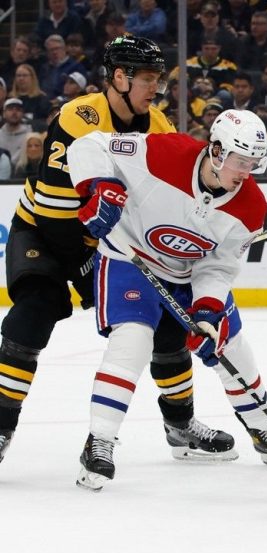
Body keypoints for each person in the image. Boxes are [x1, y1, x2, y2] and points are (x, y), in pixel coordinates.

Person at [0, 36, 234, 467]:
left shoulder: (158, 126)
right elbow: (54, 212)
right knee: (34, 311)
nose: (155, 87)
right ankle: (0, 426)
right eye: (146, 78)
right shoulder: (79, 117)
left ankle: (180, 424)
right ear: (120, 78)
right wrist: (90, 259)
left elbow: (175, 197)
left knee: (166, 317)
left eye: (157, 79)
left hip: (106, 242)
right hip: (44, 232)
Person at [67, 109, 267, 490]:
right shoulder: (163, 153)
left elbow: (218, 266)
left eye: (253, 163)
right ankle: (99, 441)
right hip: (129, 257)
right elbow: (89, 144)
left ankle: (263, 429)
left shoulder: (250, 207)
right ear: (215, 150)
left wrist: (208, 312)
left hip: (186, 274)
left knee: (231, 345)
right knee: (132, 338)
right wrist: (98, 187)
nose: (246, 171)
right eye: (240, 161)